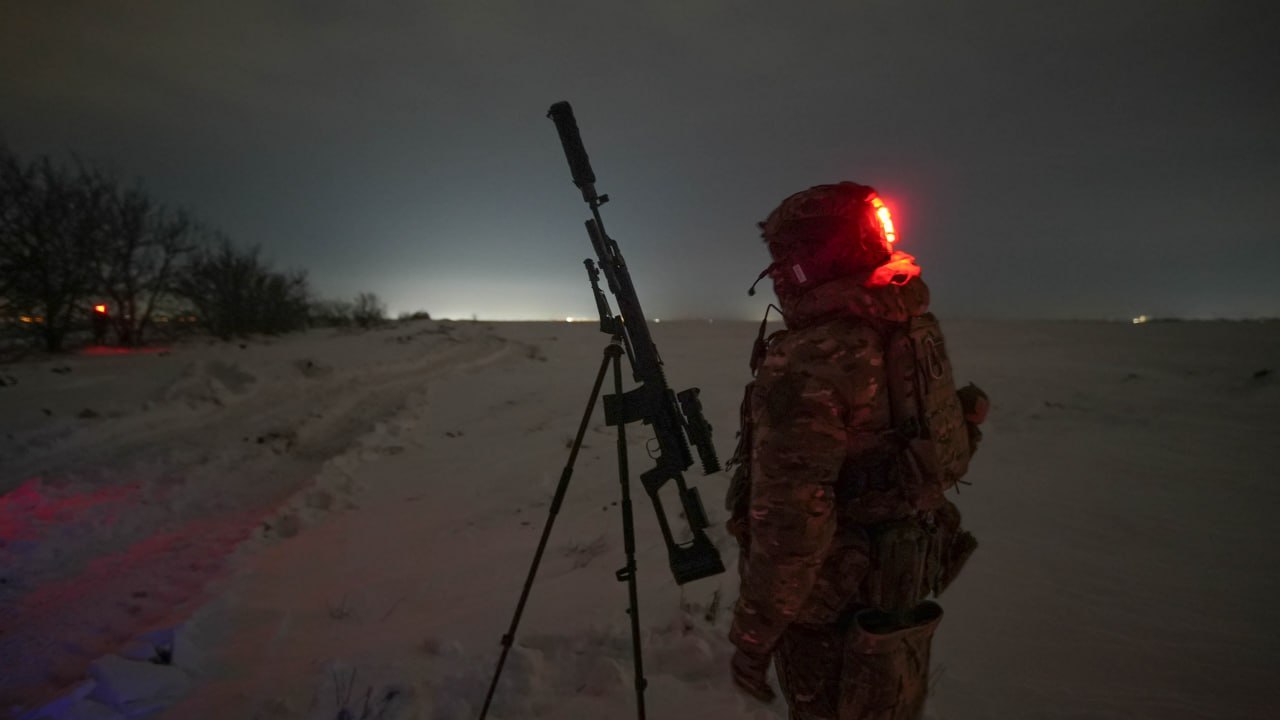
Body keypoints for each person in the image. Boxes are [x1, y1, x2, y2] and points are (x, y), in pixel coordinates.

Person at [725, 182, 988, 720]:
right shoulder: (906, 327)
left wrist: (754, 636)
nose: (777, 272)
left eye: (785, 256)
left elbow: (792, 524)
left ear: (814, 256)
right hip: (900, 594)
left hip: (833, 608)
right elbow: (942, 450)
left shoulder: (814, 357)